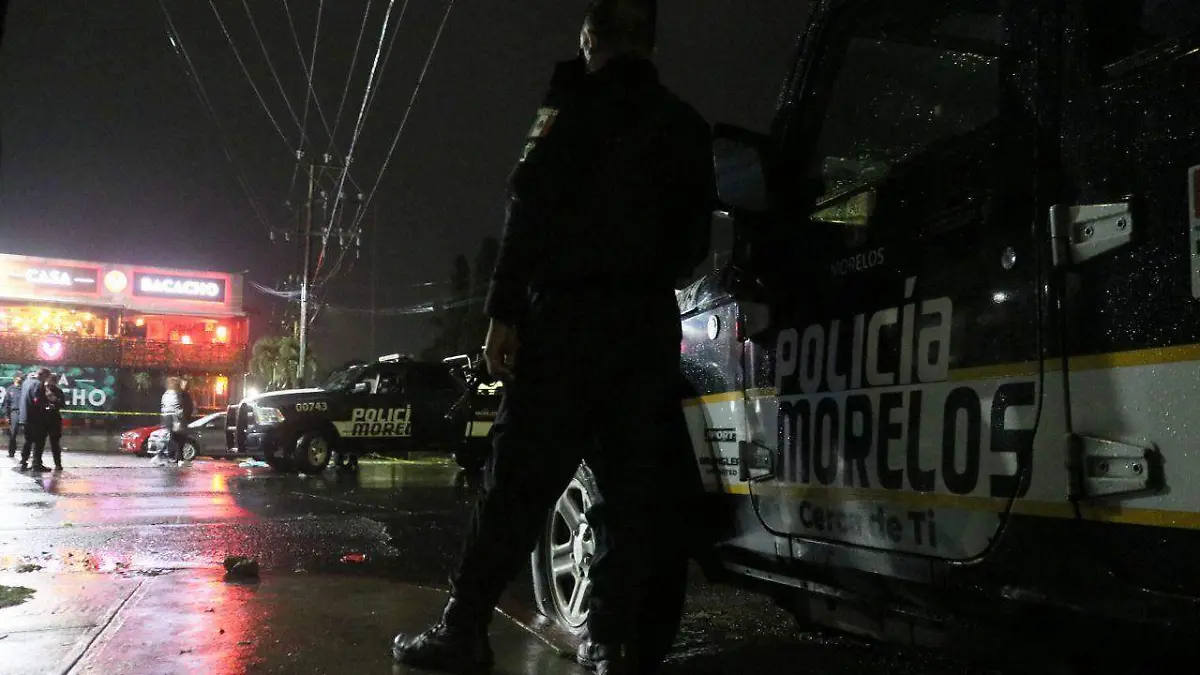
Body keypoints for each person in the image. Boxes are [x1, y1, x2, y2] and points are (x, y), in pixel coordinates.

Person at [391, 2, 715, 674]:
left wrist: (504, 311)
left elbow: (526, 206)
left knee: (515, 484)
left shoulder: (571, 108)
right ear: (651, 44)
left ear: (591, 37)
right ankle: (610, 643)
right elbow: (693, 245)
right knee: (631, 491)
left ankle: (464, 627)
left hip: (566, 322)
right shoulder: (685, 125)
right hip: (645, 326)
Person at [18, 368, 51, 472]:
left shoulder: (26, 382)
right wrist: (46, 406)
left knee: (28, 440)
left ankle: (23, 460)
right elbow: (37, 400)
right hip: (35, 418)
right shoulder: (38, 384)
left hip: (24, 416)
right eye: (47, 378)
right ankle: (36, 464)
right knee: (39, 441)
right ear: (44, 376)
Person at [155, 376, 182, 467]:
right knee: (173, 438)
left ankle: (165, 456)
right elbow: (175, 408)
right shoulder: (174, 394)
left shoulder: (165, 394)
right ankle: (162, 455)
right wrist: (178, 416)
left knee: (170, 437)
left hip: (165, 417)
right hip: (172, 417)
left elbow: (164, 407)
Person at [44, 373, 66, 471]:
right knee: (40, 442)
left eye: (54, 380)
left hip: (54, 418)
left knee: (55, 443)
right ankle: (37, 463)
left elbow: (63, 404)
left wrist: (55, 401)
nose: (51, 382)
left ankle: (58, 464)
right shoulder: (42, 390)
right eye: (50, 380)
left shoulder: (58, 391)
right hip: (43, 418)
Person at [3, 374, 22, 458]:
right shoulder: (10, 389)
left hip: (23, 412)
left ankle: (26, 452)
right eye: (18, 377)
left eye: (21, 377)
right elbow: (6, 403)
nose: (19, 378)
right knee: (12, 433)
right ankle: (11, 452)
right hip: (14, 412)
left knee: (28, 433)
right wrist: (6, 416)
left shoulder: (24, 388)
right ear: (15, 378)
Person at [176, 378, 195, 464]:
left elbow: (189, 408)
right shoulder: (181, 395)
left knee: (180, 439)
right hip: (180, 420)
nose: (185, 386)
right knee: (178, 439)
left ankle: (178, 457)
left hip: (182, 420)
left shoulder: (184, 395)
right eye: (184, 384)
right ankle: (178, 457)